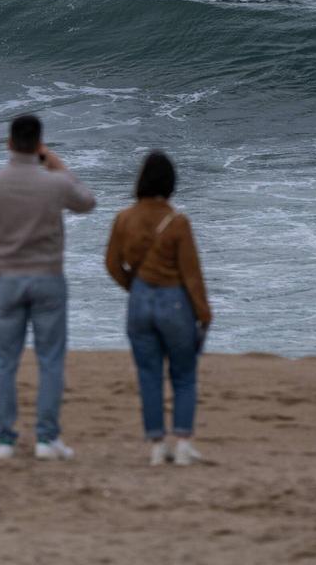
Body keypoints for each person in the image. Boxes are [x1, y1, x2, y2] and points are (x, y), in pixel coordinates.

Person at [0, 114, 96, 461]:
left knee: (4, 362)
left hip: (7, 280)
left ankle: (4, 441)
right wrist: (56, 164)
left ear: (9, 143)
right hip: (48, 280)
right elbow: (87, 202)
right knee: (50, 361)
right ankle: (46, 439)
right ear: (39, 144)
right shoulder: (54, 183)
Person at [105, 151, 212, 467]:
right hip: (174, 303)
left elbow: (111, 264)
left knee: (149, 375)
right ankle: (182, 445)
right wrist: (204, 314)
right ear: (171, 184)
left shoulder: (124, 218)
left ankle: (155, 446)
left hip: (139, 302)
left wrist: (134, 287)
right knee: (183, 374)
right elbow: (192, 275)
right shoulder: (178, 222)